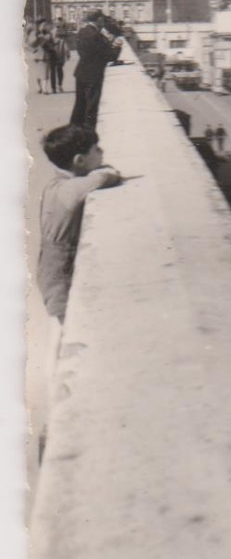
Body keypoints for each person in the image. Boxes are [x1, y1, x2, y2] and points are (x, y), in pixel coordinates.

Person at [36, 125, 122, 429]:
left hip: (51, 266)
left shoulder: (56, 185)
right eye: (95, 150)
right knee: (59, 339)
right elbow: (106, 177)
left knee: (57, 335)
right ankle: (54, 411)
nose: (102, 153)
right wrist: (106, 172)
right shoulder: (73, 189)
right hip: (60, 271)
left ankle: (54, 407)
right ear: (79, 160)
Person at [69, 12, 120, 131]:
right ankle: (87, 134)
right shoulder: (96, 35)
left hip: (81, 72)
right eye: (102, 20)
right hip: (94, 75)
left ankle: (73, 131)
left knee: (80, 105)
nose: (104, 22)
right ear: (99, 19)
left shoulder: (82, 31)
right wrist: (117, 47)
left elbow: (85, 52)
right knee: (91, 107)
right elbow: (109, 56)